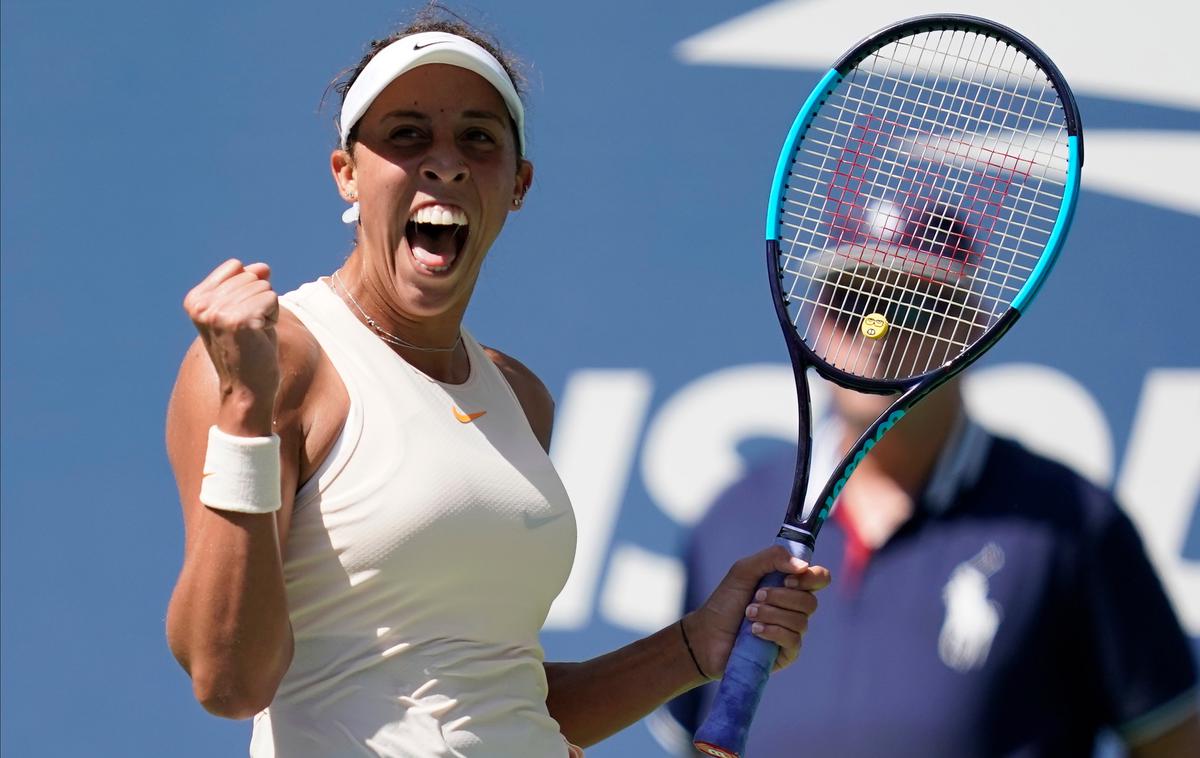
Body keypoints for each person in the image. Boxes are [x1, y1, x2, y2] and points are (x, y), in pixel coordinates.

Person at [163, 8, 830, 757]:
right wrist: (246, 411)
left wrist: (692, 647)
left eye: (477, 138)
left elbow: (501, 699)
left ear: (518, 184)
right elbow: (228, 681)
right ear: (346, 174)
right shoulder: (276, 359)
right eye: (407, 134)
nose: (444, 163)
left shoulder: (519, 395)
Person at [662, 206, 1200, 756]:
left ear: (974, 328)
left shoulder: (1073, 523)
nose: (878, 333)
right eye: (850, 304)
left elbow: (1173, 741)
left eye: (915, 306)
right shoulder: (729, 519)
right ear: (815, 322)